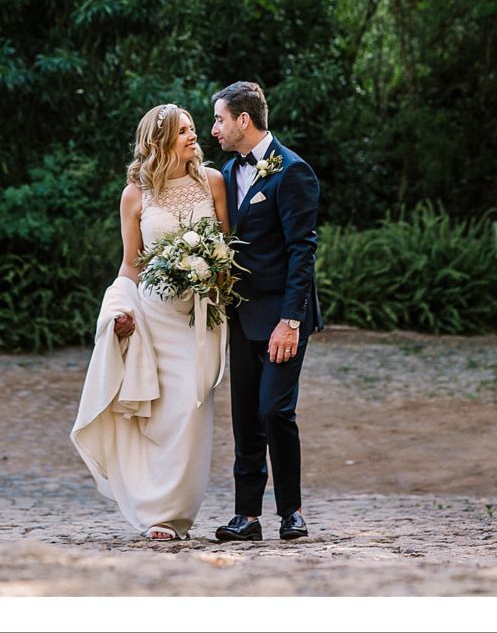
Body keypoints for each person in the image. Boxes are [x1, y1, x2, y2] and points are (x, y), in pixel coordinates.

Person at [71, 103, 229, 541]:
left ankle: (179, 511)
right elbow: (130, 266)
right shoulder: (135, 196)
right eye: (183, 132)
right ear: (159, 142)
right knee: (156, 416)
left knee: (190, 411)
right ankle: (157, 514)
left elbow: (229, 251)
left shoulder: (212, 183)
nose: (193, 137)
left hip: (198, 318)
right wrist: (118, 310)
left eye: (194, 129)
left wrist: (214, 275)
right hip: (152, 316)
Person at [210, 80, 322, 543]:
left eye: (219, 119)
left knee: (275, 410)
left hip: (282, 316)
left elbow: (302, 251)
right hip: (240, 314)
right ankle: (247, 517)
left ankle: (291, 511)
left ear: (243, 119)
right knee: (245, 416)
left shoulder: (292, 172)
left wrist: (290, 321)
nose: (213, 129)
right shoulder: (223, 173)